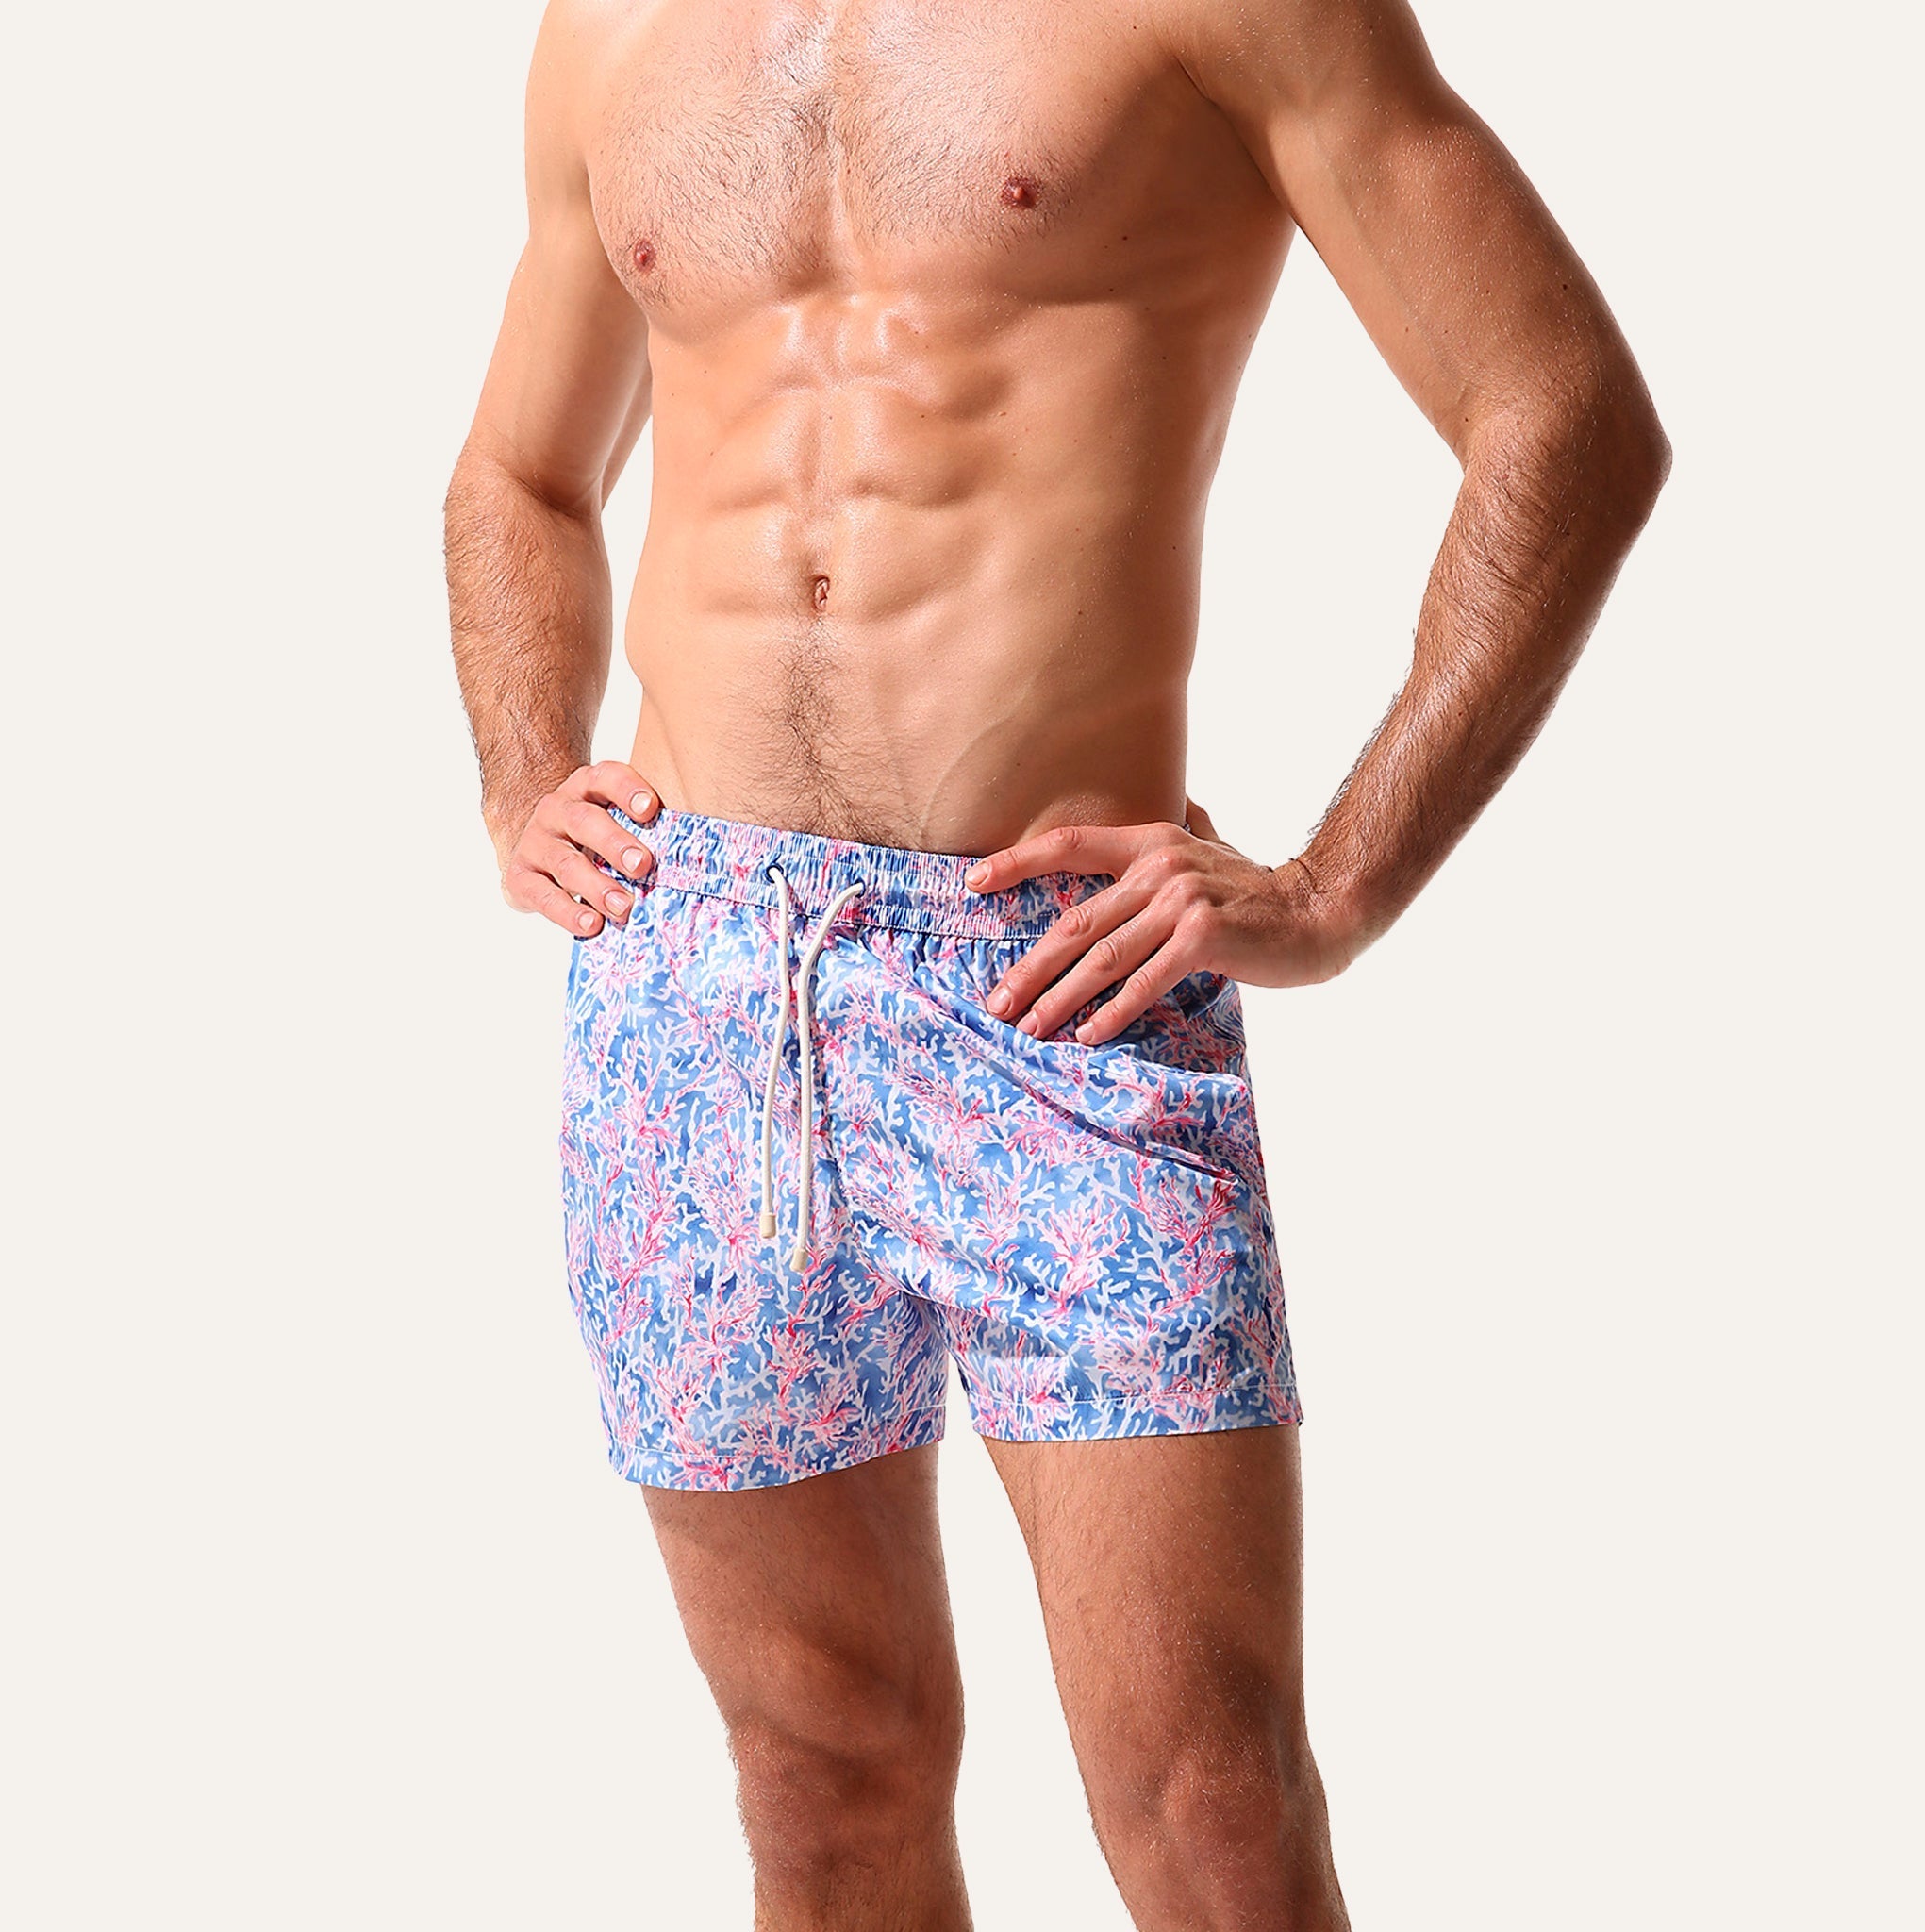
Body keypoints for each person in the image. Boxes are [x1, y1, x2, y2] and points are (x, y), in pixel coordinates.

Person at [443, 0, 1668, 1920]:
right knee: (818, 1769)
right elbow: (519, 474)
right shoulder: (614, 31)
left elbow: (1563, 409)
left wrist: (1339, 880)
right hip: (694, 984)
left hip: (1059, 985)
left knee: (1206, 1800)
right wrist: (526, 777)